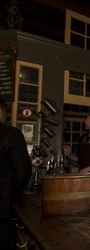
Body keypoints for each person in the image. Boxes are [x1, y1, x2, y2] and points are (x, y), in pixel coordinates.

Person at [0, 97, 32, 250]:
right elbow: (22, 172)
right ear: (1, 111)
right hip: (2, 211)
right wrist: (13, 196)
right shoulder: (10, 134)